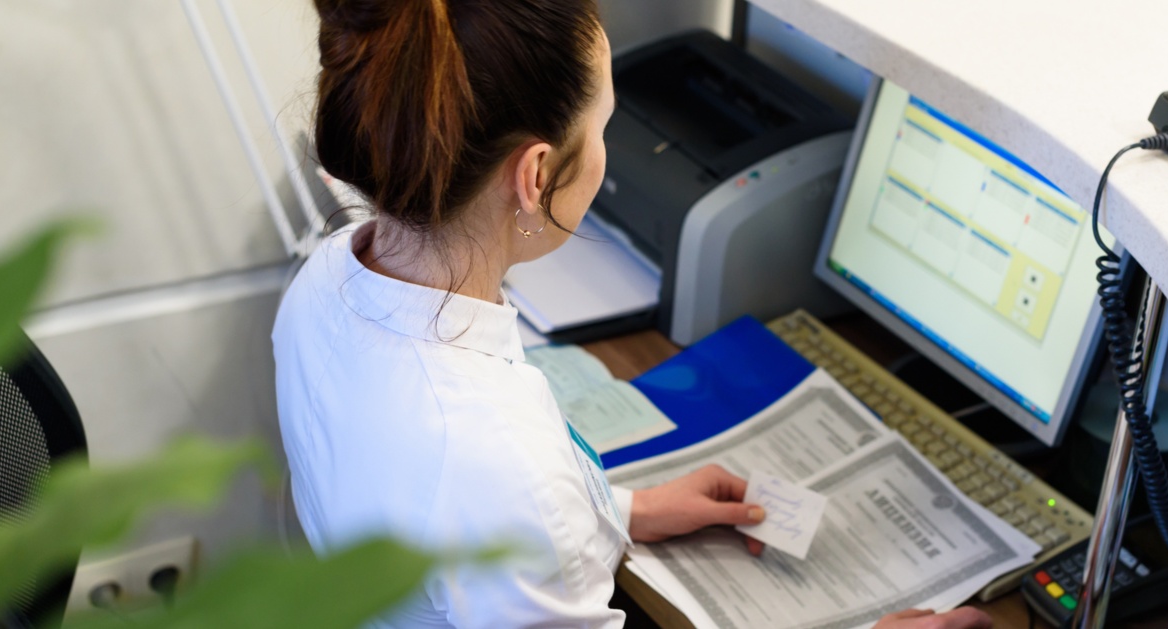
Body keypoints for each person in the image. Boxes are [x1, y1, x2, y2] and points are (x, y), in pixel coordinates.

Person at [273, 1, 993, 627]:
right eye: (603, 127)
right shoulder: (499, 464)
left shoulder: (328, 278)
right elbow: (492, 497)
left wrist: (620, 510)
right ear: (533, 176)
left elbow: (448, 526)